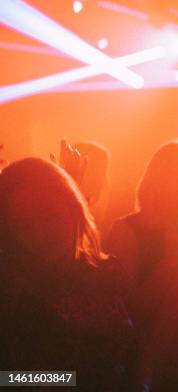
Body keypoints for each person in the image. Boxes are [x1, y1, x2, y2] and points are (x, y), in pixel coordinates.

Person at [0, 158, 134, 390]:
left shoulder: (106, 271)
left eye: (50, 218)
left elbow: (136, 348)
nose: (40, 235)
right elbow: (6, 378)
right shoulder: (9, 288)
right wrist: (71, 379)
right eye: (23, 226)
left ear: (73, 208)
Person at [105, 139, 178, 391]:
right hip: (143, 370)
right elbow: (125, 312)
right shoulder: (127, 232)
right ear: (160, 182)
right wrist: (173, 258)